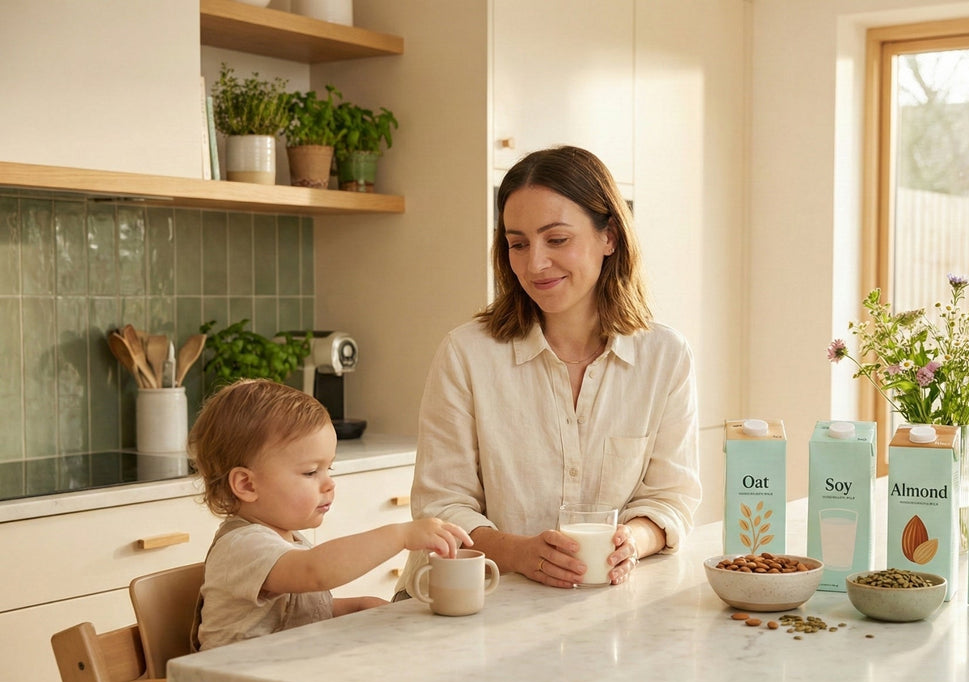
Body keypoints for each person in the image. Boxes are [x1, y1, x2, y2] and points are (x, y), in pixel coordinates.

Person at [396, 145, 701, 595]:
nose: (534, 263)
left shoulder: (665, 356)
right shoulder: (466, 354)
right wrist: (521, 553)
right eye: (518, 243)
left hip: (596, 603)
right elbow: (441, 505)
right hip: (466, 599)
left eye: (556, 239)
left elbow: (671, 498)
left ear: (609, 237)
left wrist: (629, 542)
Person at [188, 379, 471, 651]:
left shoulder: (288, 541)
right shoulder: (243, 546)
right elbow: (316, 571)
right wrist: (401, 535)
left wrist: (359, 606)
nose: (329, 483)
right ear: (247, 485)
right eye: (311, 472)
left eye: (329, 469)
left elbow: (295, 614)